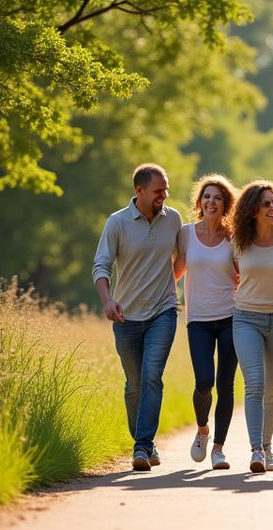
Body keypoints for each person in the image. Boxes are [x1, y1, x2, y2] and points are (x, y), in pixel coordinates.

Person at [92, 163, 183, 472]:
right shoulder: (117, 223)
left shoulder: (173, 219)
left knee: (152, 375)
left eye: (166, 190)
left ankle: (142, 445)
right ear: (139, 190)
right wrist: (108, 301)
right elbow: (101, 266)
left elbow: (184, 257)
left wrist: (168, 283)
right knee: (134, 384)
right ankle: (143, 441)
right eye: (158, 191)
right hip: (126, 316)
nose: (164, 195)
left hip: (163, 311)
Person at [231, 180, 273, 473]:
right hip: (246, 318)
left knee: (272, 387)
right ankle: (256, 450)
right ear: (252, 210)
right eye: (266, 204)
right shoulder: (237, 240)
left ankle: (268, 447)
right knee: (255, 383)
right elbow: (233, 272)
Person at [173, 174, 240, 470]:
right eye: (207, 196)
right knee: (204, 381)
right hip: (198, 319)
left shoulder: (233, 237)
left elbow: (243, 273)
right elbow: (174, 273)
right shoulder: (186, 234)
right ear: (199, 202)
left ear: (226, 204)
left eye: (218, 198)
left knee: (226, 384)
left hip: (231, 317)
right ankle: (202, 429)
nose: (212, 202)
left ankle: (218, 448)